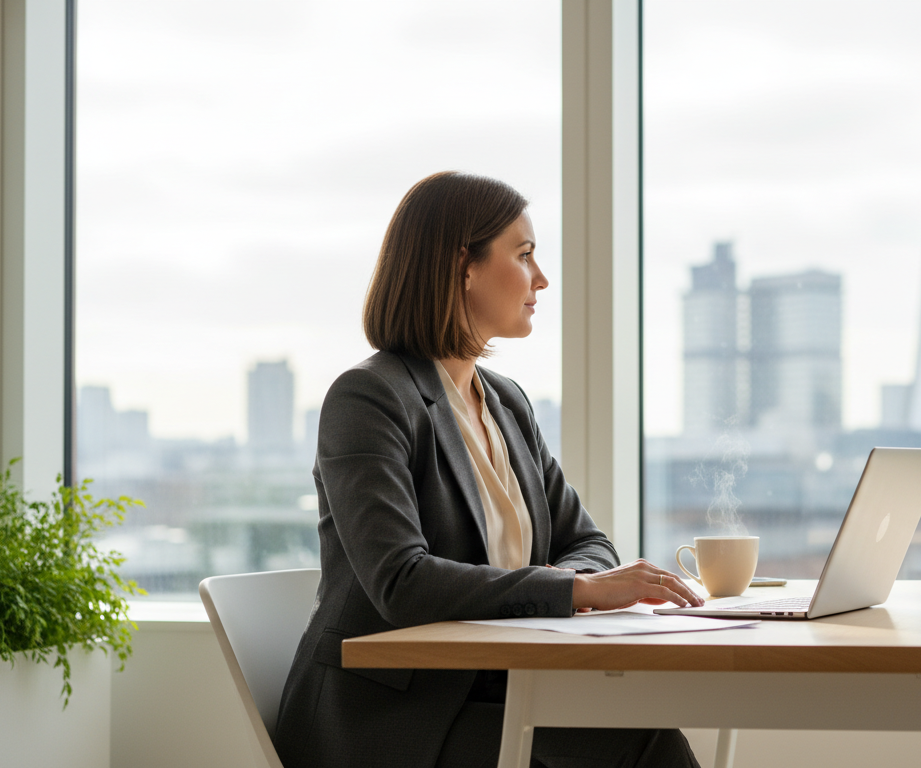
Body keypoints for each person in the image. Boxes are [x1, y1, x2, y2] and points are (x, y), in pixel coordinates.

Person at [274, 171, 705, 768]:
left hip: (495, 689)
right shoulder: (369, 398)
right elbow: (402, 582)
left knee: (646, 736)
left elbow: (588, 541)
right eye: (524, 255)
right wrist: (575, 589)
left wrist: (579, 577)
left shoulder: (505, 402)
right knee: (640, 748)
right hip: (392, 718)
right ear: (463, 266)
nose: (542, 279)